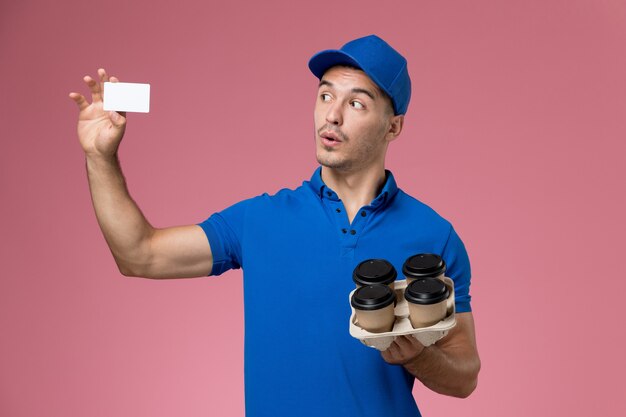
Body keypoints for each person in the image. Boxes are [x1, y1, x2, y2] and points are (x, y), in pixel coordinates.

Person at [69, 34, 480, 417]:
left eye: (356, 103)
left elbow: (464, 376)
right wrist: (99, 157)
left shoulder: (434, 237)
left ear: (393, 127)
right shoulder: (259, 220)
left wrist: (417, 355)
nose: (332, 115)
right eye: (325, 95)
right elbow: (140, 255)